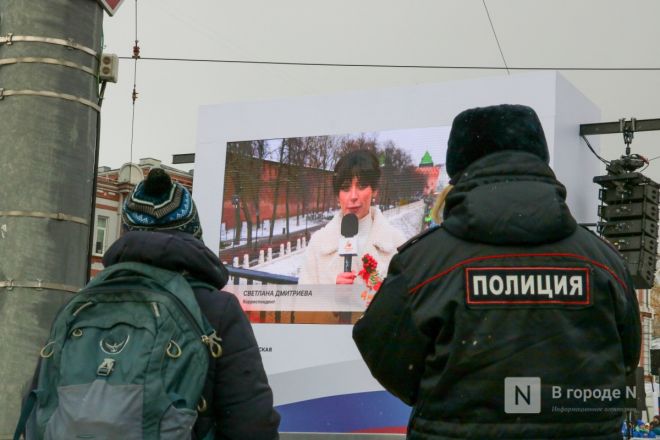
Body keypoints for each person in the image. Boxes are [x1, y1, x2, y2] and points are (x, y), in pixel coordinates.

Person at [353, 104, 641, 439]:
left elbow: (386, 355)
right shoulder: (603, 263)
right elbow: (624, 359)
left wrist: (448, 400)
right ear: (539, 162)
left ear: (458, 170)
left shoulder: (424, 265)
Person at [108, 168, 280, 439]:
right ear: (193, 235)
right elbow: (252, 424)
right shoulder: (218, 310)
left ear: (125, 234)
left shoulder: (84, 305)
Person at [298, 149, 406, 285]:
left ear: (374, 191)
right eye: (345, 188)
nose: (353, 196)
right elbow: (304, 303)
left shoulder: (396, 243)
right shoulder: (318, 243)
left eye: (361, 186)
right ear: (338, 196)